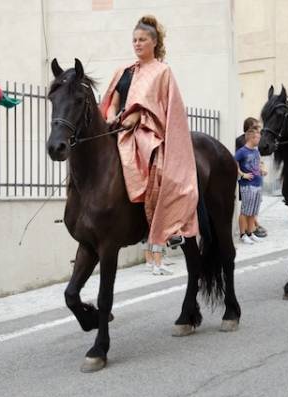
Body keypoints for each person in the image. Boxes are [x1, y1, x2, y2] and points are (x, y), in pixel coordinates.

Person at [99, 15, 198, 276]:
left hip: (147, 132)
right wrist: (112, 116)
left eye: (142, 39)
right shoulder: (124, 71)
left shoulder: (162, 71)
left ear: (154, 42)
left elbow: (167, 109)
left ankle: (163, 238)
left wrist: (139, 117)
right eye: (134, 40)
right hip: (117, 129)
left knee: (157, 168)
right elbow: (114, 100)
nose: (137, 44)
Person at [236, 117, 268, 238]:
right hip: (247, 184)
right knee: (246, 210)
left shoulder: (255, 149)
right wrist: (242, 174)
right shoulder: (242, 146)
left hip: (257, 183)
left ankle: (251, 232)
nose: (258, 129)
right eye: (255, 127)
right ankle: (244, 234)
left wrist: (262, 169)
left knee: (253, 210)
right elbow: (235, 161)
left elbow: (258, 162)